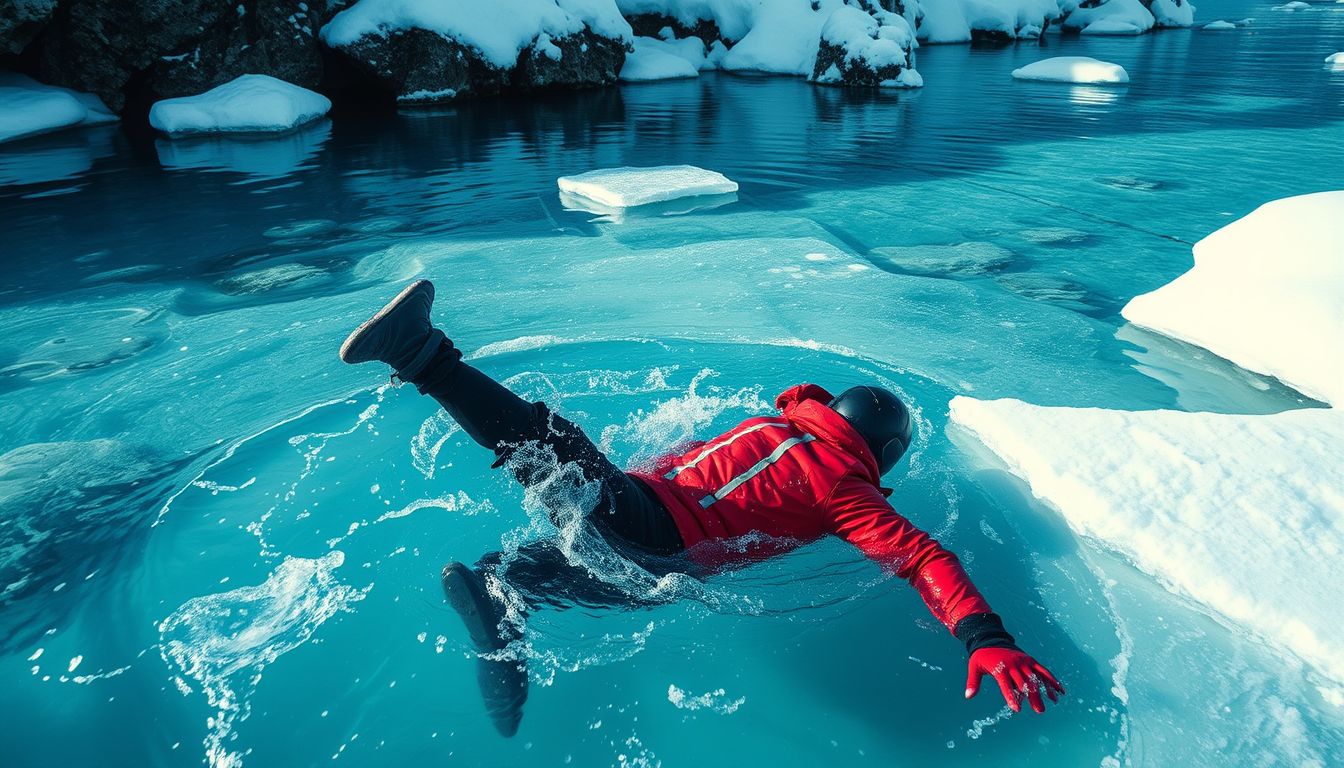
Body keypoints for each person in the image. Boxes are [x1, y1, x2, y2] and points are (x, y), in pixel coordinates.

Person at [340, 280, 1064, 736]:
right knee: (565, 476)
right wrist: (984, 638)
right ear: (883, 455)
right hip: (657, 540)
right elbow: (923, 557)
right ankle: (422, 356)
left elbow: (747, 421)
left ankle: (498, 596)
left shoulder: (780, 422)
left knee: (555, 471)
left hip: (645, 496)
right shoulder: (845, 488)